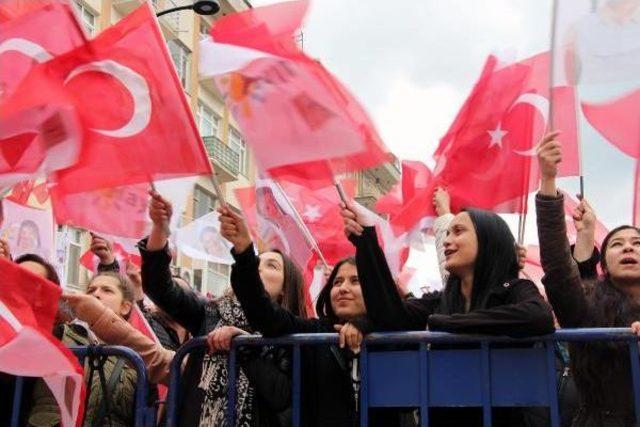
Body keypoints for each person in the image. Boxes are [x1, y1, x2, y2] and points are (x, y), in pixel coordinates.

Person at [339, 193, 554, 426]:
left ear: (488, 239)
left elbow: (539, 316)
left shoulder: (514, 290)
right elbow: (391, 315)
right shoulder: (440, 301)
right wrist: (366, 239)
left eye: (458, 232)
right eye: (447, 233)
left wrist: (451, 323)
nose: (447, 241)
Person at [218, 205, 404, 427]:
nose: (343, 288)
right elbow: (265, 314)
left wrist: (366, 325)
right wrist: (244, 253)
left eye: (355, 281)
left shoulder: (394, 334)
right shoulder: (313, 334)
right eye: (337, 282)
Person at [141, 191, 303, 427]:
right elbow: (159, 288)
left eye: (272, 266)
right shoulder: (212, 313)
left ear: (286, 288)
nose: (259, 266)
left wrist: (245, 346)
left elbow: (283, 397)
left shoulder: (295, 335)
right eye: (258, 260)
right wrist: (159, 229)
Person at [536, 130, 640, 426]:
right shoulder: (588, 305)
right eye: (617, 244)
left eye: (637, 243)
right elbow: (558, 267)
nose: (629, 247)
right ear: (603, 264)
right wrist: (548, 182)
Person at [27, 271, 138, 427]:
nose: (96, 294)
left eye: (107, 290)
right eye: (91, 290)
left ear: (125, 307)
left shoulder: (135, 359)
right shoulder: (59, 334)